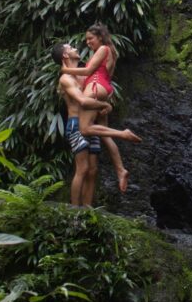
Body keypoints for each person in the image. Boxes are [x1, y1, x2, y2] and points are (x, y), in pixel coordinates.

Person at [52, 42, 140, 206]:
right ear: (65, 55)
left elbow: (97, 89)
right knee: (82, 169)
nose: (76, 49)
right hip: (75, 125)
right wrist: (104, 105)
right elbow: (83, 101)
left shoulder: (84, 73)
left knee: (93, 171)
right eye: (71, 48)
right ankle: (74, 211)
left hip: (89, 123)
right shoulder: (65, 79)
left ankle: (87, 209)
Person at [59, 24, 129, 193]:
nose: (88, 42)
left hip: (96, 87)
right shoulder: (111, 51)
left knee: (85, 128)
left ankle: (122, 134)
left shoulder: (103, 48)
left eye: (91, 38)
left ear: (100, 36)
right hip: (104, 88)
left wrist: (65, 69)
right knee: (104, 133)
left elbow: (89, 70)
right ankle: (120, 170)